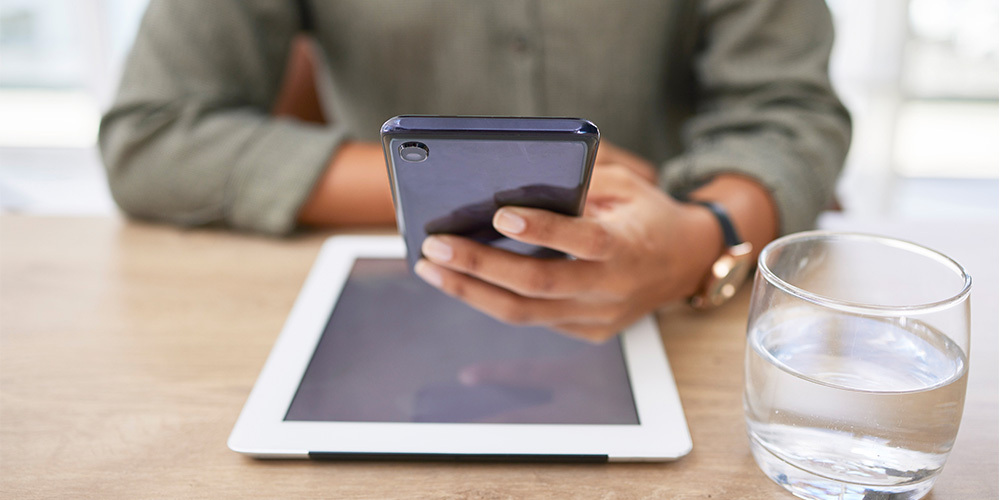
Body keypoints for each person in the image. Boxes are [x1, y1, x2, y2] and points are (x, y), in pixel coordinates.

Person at [99, 0, 851, 342]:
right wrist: (469, 179)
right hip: (395, 308)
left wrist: (698, 238)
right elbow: (151, 133)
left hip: (681, 311)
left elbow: (789, 116)